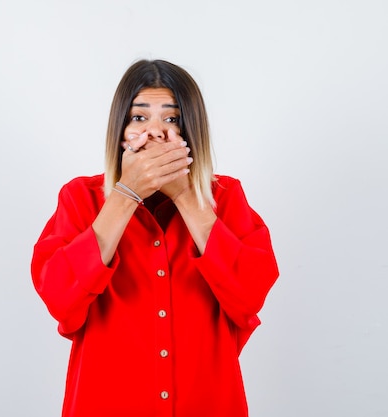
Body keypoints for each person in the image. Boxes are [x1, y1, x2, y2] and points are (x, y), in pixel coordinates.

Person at [31, 59, 279, 417]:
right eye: (139, 117)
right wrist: (126, 194)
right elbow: (59, 299)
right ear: (120, 131)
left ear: (192, 132)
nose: (157, 132)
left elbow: (250, 295)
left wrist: (186, 197)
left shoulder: (225, 197)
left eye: (173, 118)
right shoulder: (80, 198)